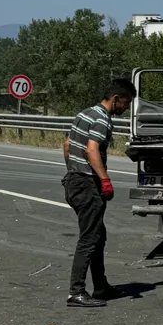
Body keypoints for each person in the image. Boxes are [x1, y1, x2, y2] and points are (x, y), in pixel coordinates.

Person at [62, 78, 136, 308]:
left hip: (74, 180)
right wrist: (104, 180)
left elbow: (67, 145)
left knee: (97, 236)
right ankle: (76, 291)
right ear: (115, 99)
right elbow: (92, 149)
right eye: (126, 103)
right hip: (87, 185)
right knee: (89, 239)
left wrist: (73, 170)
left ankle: (101, 286)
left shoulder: (84, 114)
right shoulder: (103, 120)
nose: (126, 108)